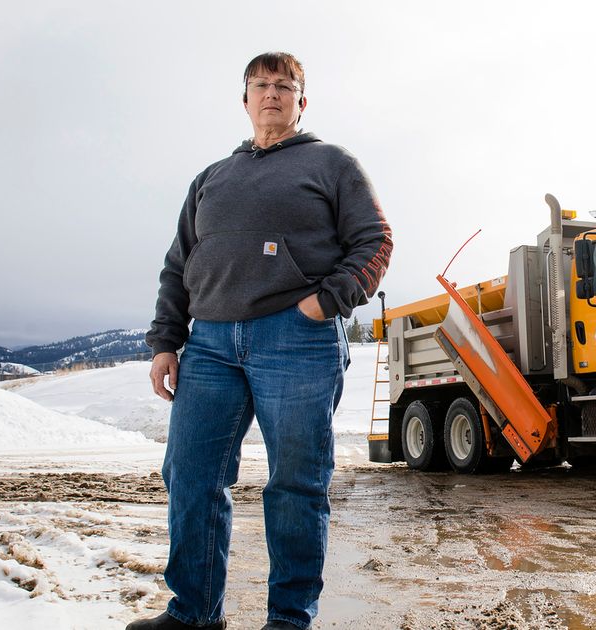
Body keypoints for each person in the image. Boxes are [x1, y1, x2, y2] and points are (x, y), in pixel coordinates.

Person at [130, 52, 392, 630]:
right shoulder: (211, 178)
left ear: (302, 101)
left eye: (284, 86)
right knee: (192, 476)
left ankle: (289, 619)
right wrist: (165, 341)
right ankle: (194, 614)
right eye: (259, 85)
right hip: (210, 345)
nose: (271, 94)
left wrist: (324, 302)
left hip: (295, 339)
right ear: (244, 99)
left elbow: (375, 242)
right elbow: (179, 264)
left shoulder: (332, 164)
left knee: (296, 483)